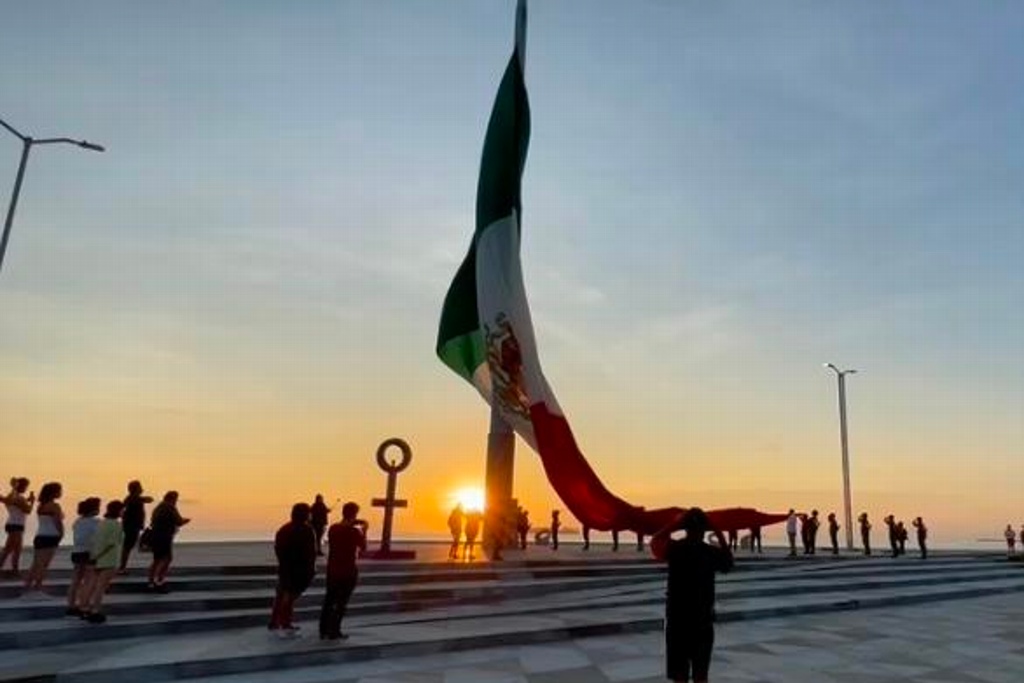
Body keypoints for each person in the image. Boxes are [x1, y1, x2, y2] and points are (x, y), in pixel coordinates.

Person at [652, 508, 733, 683]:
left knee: (679, 674)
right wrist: (718, 531)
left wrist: (674, 525)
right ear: (705, 530)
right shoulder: (710, 553)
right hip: (702, 620)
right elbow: (728, 562)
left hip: (677, 620)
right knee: (701, 674)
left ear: (684, 528)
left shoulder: (675, 549)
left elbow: (655, 542)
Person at [320, 502, 367, 641]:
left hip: (333, 569)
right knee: (341, 603)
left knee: (329, 600)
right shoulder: (354, 532)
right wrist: (364, 530)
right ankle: (335, 630)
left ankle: (323, 630)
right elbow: (363, 547)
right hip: (348, 571)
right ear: (355, 514)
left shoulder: (333, 528)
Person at [269, 503, 317, 636]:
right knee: (289, 596)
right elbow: (310, 553)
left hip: (285, 567)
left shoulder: (284, 529)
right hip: (299, 569)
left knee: (281, 594)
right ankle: (284, 622)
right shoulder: (307, 530)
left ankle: (275, 622)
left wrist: (283, 562)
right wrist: (311, 569)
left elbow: (277, 548)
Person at [80, 500, 125, 624]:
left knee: (91, 585)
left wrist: (94, 556)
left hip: (96, 558)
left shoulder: (101, 523)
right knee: (101, 587)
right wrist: (98, 556)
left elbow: (95, 541)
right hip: (108, 559)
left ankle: (84, 608)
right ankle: (96, 610)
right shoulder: (116, 525)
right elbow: (111, 544)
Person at [147, 491, 190, 592]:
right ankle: (159, 580)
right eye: (176, 499)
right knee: (167, 558)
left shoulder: (158, 507)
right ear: (173, 499)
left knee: (156, 559)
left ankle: (150, 582)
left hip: (155, 536)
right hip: (164, 537)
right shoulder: (170, 507)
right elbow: (179, 521)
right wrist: (186, 521)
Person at [25, 482, 64, 593]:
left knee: (35, 565)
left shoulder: (41, 505)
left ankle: (27, 588)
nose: (61, 493)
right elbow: (58, 523)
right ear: (53, 493)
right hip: (50, 537)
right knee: (43, 565)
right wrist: (61, 535)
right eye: (59, 490)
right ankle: (37, 589)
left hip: (40, 536)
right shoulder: (54, 506)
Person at [67, 498, 102, 617]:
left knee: (76, 579)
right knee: (89, 581)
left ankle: (71, 605)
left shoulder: (77, 521)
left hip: (77, 552)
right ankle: (84, 605)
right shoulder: (96, 522)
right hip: (89, 552)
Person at [0, 477, 34, 576]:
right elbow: (28, 510)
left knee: (12, 549)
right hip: (16, 525)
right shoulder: (18, 498)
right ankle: (15, 571)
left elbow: (13, 504)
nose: (26, 489)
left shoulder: (12, 497)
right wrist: (32, 501)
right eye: (26, 486)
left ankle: (14, 570)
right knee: (12, 549)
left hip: (14, 524)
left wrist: (27, 500)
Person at [119, 480, 153, 574]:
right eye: (140, 487)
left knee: (128, 546)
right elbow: (149, 499)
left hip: (132, 525)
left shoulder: (131, 498)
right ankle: (122, 568)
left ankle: (122, 567)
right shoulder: (133, 498)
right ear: (136, 489)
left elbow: (122, 510)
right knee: (127, 546)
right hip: (132, 526)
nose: (142, 489)